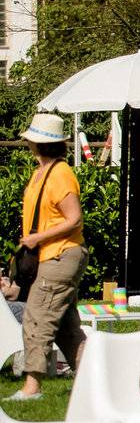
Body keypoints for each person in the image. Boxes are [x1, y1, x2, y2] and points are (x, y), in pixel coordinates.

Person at [8, 113, 86, 402]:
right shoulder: (43, 172)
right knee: (67, 328)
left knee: (37, 317)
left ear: (35, 143)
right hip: (52, 255)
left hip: (60, 255)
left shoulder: (61, 174)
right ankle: (93, 379)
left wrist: (37, 238)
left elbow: (74, 218)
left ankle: (32, 387)